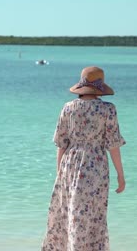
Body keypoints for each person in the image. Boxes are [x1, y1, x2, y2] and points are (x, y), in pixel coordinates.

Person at [41, 66, 126, 251]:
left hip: (70, 164)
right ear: (100, 87)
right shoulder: (108, 110)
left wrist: (59, 174)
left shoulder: (68, 108)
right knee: (93, 215)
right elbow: (113, 145)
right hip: (96, 164)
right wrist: (121, 175)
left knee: (69, 212)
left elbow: (61, 144)